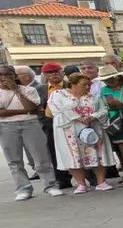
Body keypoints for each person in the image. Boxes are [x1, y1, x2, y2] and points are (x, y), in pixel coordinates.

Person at [0, 65, 61, 200]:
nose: (4, 78)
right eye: (1, 75)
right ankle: (23, 189)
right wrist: (23, 111)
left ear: (14, 76)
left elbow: (32, 107)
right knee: (14, 160)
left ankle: (50, 186)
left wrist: (16, 90)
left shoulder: (29, 89)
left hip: (30, 124)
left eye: (8, 75)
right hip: (6, 126)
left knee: (41, 157)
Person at [49, 73, 115, 193]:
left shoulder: (93, 97)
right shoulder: (58, 95)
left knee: (97, 153)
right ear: (73, 84)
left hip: (92, 128)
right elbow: (57, 109)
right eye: (84, 85)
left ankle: (101, 182)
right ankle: (81, 184)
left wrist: (93, 116)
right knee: (73, 155)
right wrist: (77, 117)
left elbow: (103, 109)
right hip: (69, 130)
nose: (87, 87)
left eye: (89, 85)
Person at [36, 63, 73, 190]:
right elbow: (39, 107)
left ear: (62, 72)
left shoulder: (71, 84)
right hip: (51, 124)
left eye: (56, 71)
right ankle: (62, 179)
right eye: (50, 72)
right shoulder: (41, 88)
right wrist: (43, 122)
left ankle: (89, 177)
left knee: (78, 149)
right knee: (55, 152)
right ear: (45, 75)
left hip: (72, 122)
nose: (54, 74)